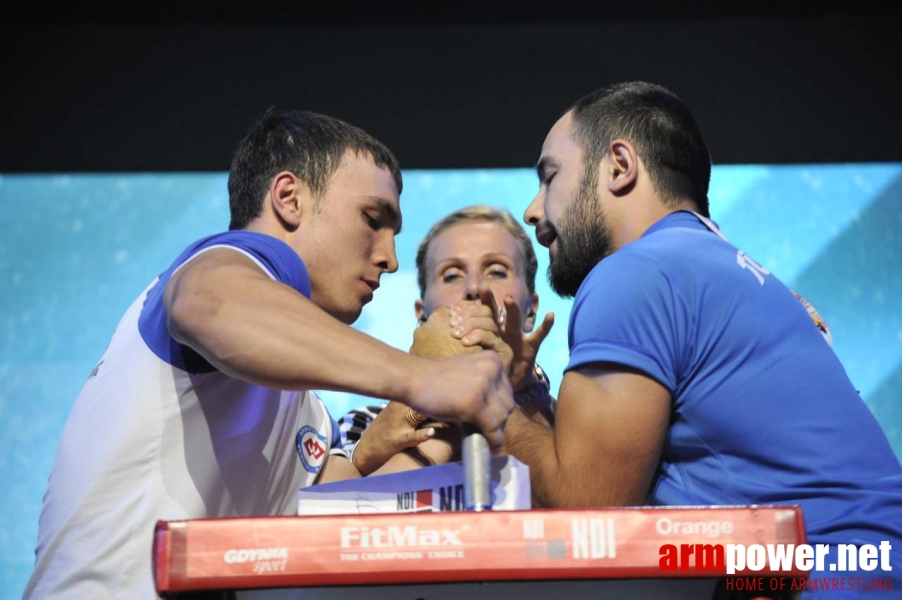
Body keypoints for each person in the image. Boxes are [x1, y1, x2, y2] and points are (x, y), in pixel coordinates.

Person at [24, 111, 513, 599]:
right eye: (372, 220)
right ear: (288, 199)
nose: (389, 258)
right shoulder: (234, 262)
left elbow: (342, 518)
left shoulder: (296, 402)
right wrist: (422, 377)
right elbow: (207, 301)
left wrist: (452, 414)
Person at [502, 82, 902, 593]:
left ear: (619, 166)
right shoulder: (734, 272)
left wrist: (488, 400)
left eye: (549, 177)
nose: (534, 208)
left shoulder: (635, 273)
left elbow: (588, 513)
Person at [340, 206, 555, 475]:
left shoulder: (569, 429)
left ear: (531, 310)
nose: (474, 288)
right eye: (452, 275)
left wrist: (525, 390)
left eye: (497, 271)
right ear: (422, 316)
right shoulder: (362, 426)